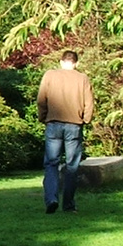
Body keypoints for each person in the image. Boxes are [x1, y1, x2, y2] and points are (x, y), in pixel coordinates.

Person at [36, 49, 94, 214]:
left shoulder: (49, 75)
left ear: (61, 62)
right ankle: (68, 205)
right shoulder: (82, 78)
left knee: (51, 164)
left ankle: (51, 199)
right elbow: (89, 103)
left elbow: (41, 99)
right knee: (71, 166)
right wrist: (86, 120)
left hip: (53, 123)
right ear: (76, 63)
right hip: (74, 125)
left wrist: (43, 117)